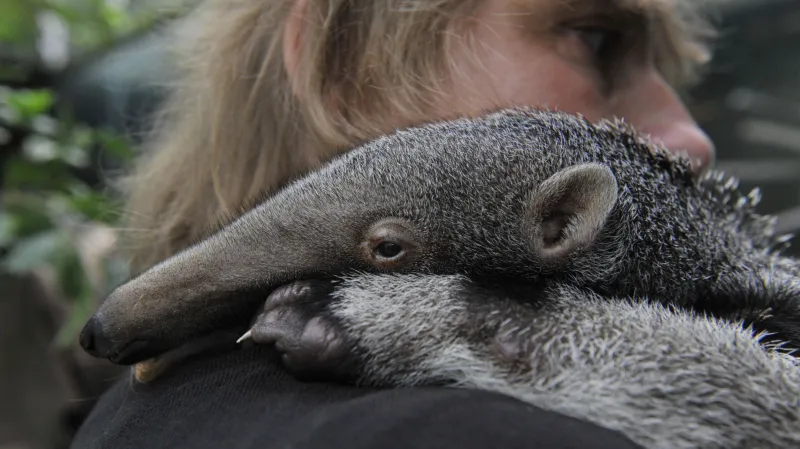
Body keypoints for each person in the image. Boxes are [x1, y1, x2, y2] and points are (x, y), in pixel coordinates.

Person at [70, 0, 718, 448]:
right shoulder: (445, 429)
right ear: (346, 63)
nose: (693, 141)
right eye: (594, 38)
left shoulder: (134, 415)